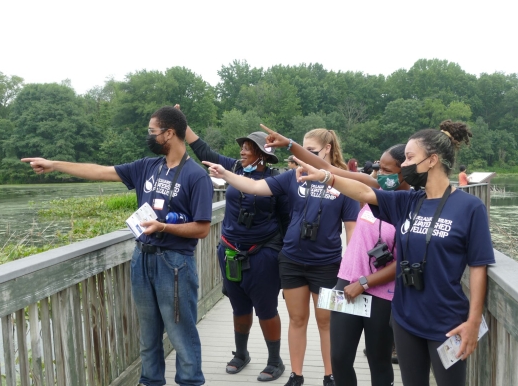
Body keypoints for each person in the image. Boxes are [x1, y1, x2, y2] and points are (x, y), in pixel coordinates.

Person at [285, 120, 495, 386]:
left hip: (447, 321)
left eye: (409, 158)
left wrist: (473, 321)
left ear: (432, 160)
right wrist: (329, 178)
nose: (404, 165)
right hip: (405, 317)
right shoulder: (409, 202)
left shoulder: (469, 207)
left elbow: (478, 266)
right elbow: (364, 190)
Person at [22, 106, 213, 386]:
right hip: (142, 259)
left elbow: (203, 228)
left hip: (174, 265)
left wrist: (164, 227)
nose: (148, 136)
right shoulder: (148, 167)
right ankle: (150, 382)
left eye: (152, 132)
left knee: (181, 335)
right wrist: (54, 164)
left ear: (169, 133)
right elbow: (100, 171)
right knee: (147, 336)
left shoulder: (196, 176)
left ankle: (190, 382)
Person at [203, 128, 359, 386]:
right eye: (301, 152)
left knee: (326, 322)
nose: (303, 157)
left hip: (327, 263)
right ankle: (296, 375)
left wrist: (350, 273)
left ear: (328, 149)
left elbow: (352, 231)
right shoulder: (292, 178)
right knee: (297, 320)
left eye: (312, 152)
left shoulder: (343, 182)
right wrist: (227, 174)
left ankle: (330, 376)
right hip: (292, 260)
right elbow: (253, 186)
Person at [256, 134, 409, 385]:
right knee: (338, 358)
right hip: (346, 284)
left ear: (405, 172)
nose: (380, 174)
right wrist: (290, 145)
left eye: (386, 170)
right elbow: (327, 169)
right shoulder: (373, 189)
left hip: (380, 293)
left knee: (377, 358)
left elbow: (404, 260)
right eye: (379, 168)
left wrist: (364, 282)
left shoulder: (412, 204)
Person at [185, 126, 290, 381]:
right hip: (230, 251)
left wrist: (286, 262)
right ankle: (241, 354)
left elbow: (286, 221)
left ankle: (275, 361)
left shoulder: (277, 179)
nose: (242, 151)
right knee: (239, 306)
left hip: (264, 253)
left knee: (266, 309)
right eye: (242, 147)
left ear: (262, 154)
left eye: (247, 148)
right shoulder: (234, 169)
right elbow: (204, 151)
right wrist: (182, 126)